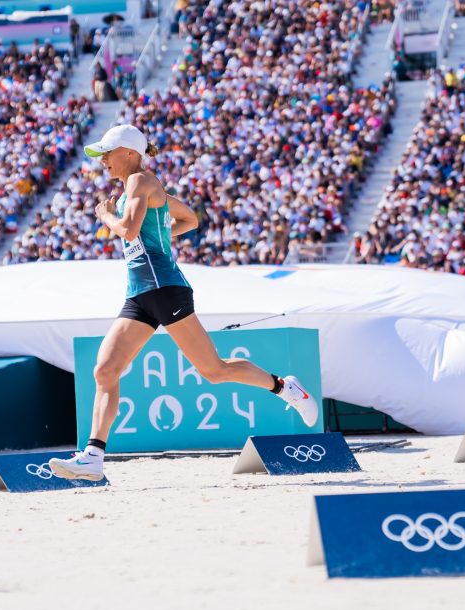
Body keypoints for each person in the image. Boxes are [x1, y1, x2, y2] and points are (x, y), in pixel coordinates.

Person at [49, 125, 319, 481]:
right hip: (140, 293)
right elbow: (189, 219)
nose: (103, 162)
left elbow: (128, 230)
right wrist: (158, 233)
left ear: (129, 153)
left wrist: (106, 217)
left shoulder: (139, 181)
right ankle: (93, 458)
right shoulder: (142, 186)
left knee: (214, 370)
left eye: (107, 154)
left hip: (165, 290)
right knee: (105, 370)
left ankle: (285, 387)